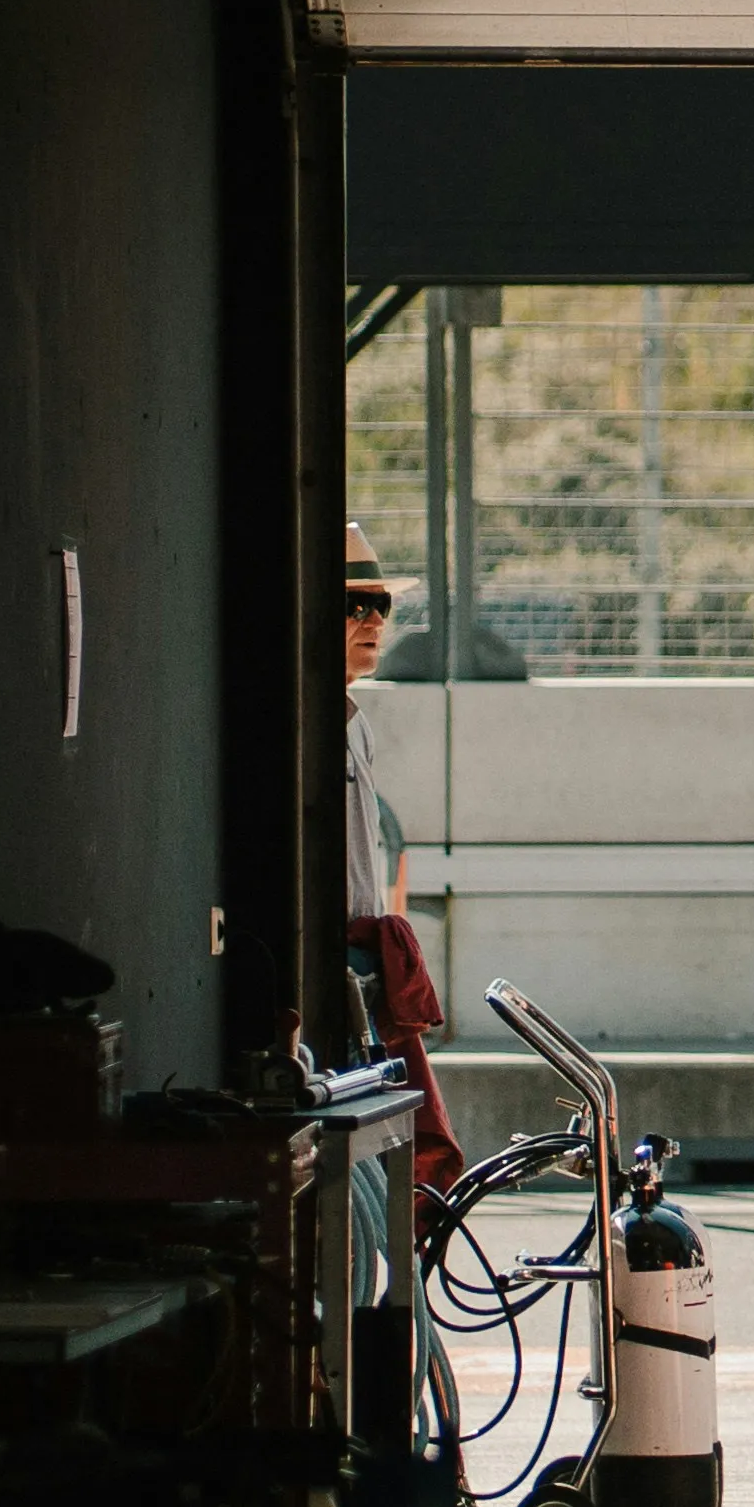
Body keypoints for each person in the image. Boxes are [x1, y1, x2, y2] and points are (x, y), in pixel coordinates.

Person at [338, 522, 461, 1233]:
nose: (374, 621)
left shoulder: (356, 722)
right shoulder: (308, 720)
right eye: (356, 604)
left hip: (364, 972)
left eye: (381, 604)